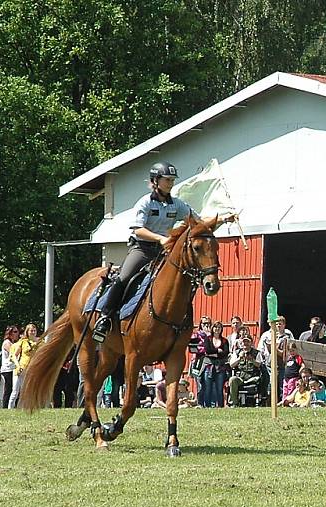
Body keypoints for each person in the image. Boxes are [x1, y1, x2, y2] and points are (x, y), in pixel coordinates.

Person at [91, 161, 235, 342]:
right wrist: (159, 238)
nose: (171, 183)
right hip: (142, 249)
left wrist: (224, 218)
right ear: (155, 181)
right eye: (167, 179)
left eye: (172, 180)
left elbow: (199, 222)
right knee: (124, 278)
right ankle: (105, 318)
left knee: (185, 280)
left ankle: (182, 325)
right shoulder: (145, 202)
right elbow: (137, 229)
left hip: (164, 251)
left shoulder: (177, 204)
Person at [228, 335, 266, 407]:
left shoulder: (257, 353)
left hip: (252, 377)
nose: (245, 344)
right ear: (241, 343)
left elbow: (259, 365)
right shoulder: (236, 353)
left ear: (251, 343)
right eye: (244, 342)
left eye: (247, 342)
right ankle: (234, 403)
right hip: (240, 378)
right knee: (232, 379)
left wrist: (252, 360)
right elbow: (231, 365)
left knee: (259, 379)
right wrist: (239, 358)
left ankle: (258, 401)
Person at [9, 323, 40, 409]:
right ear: (27, 332)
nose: (33, 332)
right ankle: (9, 408)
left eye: (34, 330)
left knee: (27, 391)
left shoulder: (40, 342)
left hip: (32, 369)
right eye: (31, 331)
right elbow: (14, 355)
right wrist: (18, 365)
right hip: (21, 369)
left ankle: (25, 408)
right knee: (15, 391)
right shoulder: (23, 342)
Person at [201, 321, 230, 408]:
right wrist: (217, 351)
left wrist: (213, 354)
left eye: (219, 327)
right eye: (215, 327)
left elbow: (225, 353)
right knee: (208, 387)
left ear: (221, 329)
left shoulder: (224, 340)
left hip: (220, 366)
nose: (217, 329)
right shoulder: (208, 339)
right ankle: (207, 406)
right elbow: (207, 350)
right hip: (209, 365)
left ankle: (220, 405)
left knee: (219, 387)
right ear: (212, 328)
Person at [0, 325, 19, 409]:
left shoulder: (14, 343)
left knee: (15, 389)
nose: (17, 333)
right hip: (7, 370)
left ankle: (14, 406)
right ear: (9, 333)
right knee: (8, 389)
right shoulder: (7, 342)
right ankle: (5, 407)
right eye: (15, 332)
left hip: (13, 369)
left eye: (17, 332)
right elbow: (13, 353)